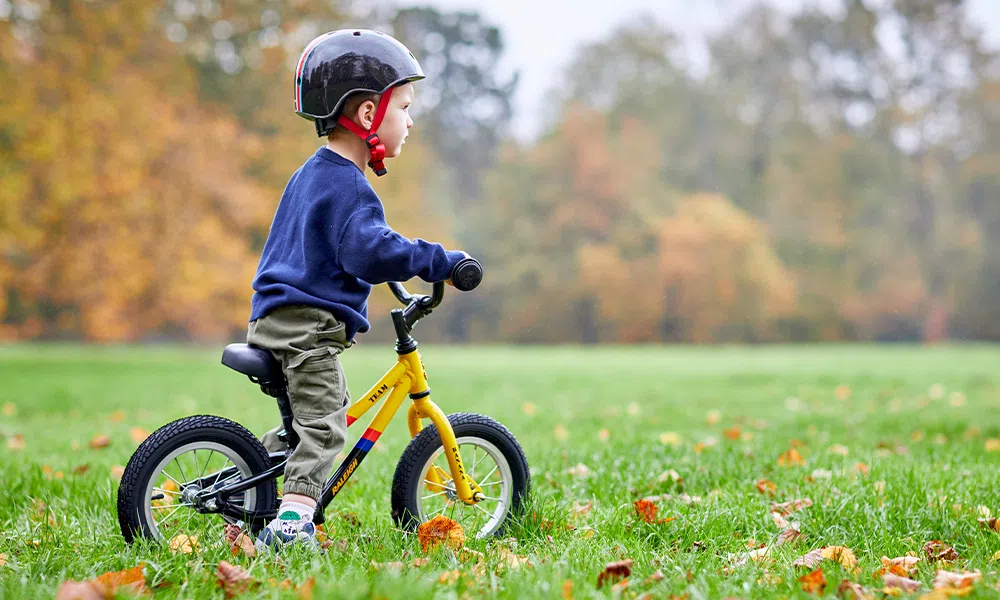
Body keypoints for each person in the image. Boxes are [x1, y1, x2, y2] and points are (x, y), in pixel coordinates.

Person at [247, 29, 469, 552]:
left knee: (316, 411)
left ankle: (256, 483)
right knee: (326, 427)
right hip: (307, 329)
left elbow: (334, 250)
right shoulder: (350, 185)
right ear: (369, 116)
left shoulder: (311, 175)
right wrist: (442, 262)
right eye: (404, 108)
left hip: (275, 317)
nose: (410, 121)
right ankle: (291, 525)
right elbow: (370, 251)